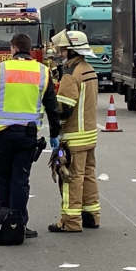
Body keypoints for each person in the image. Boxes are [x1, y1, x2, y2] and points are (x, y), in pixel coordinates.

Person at [0, 32, 61, 238]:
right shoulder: (43, 71)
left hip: (3, 134)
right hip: (27, 135)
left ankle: (4, 219)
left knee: (2, 176)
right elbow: (52, 107)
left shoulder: (2, 69)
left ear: (13, 48)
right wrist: (55, 134)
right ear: (29, 49)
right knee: (20, 179)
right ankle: (18, 223)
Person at [47, 30, 100, 233]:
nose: (59, 53)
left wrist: (50, 105)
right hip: (89, 134)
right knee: (88, 174)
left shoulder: (71, 75)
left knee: (70, 178)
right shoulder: (89, 70)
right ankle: (92, 215)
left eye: (61, 49)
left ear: (70, 50)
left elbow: (64, 109)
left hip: (73, 136)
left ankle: (70, 221)